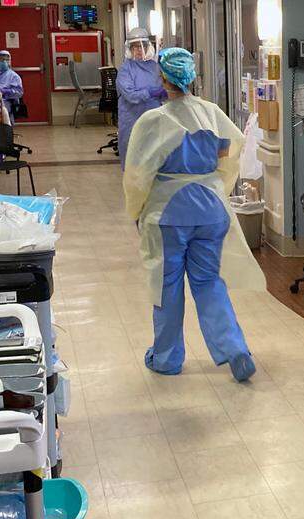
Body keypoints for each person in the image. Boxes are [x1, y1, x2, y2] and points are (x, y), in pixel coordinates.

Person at [124, 47, 265, 382]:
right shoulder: (211, 113)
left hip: (169, 214)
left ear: (162, 78)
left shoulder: (154, 121)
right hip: (211, 209)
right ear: (191, 77)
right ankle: (235, 349)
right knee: (209, 283)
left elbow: (138, 172)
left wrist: (136, 209)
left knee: (167, 287)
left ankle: (167, 358)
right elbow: (228, 150)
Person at [117, 27, 166, 169]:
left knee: (154, 158)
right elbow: (130, 95)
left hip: (154, 119)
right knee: (133, 161)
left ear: (148, 46)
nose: (139, 50)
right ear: (130, 49)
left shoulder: (156, 67)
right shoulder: (126, 70)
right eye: (135, 47)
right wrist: (150, 93)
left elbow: (166, 87)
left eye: (142, 46)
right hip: (132, 120)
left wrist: (166, 92)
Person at [0, 49, 24, 123]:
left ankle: (6, 131)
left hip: (5, 102)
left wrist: (5, 91)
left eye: (7, 59)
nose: (4, 62)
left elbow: (19, 92)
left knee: (2, 111)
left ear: (10, 61)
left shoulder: (14, 76)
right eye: (2, 59)